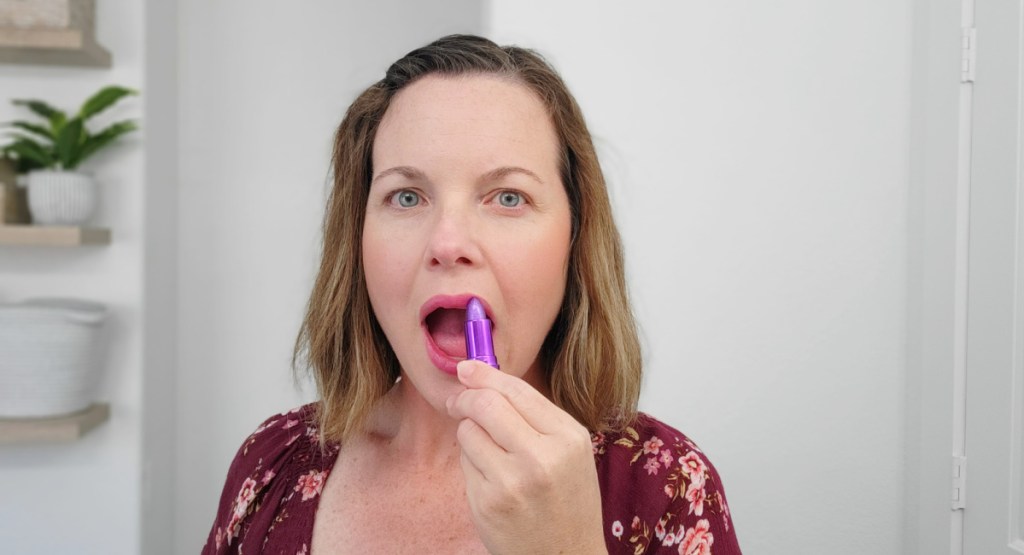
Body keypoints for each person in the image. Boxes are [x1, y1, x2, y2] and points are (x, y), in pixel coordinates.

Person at [203, 34, 742, 555]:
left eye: (508, 196)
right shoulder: (271, 464)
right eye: (406, 196)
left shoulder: (670, 490)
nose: (448, 242)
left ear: (575, 239)